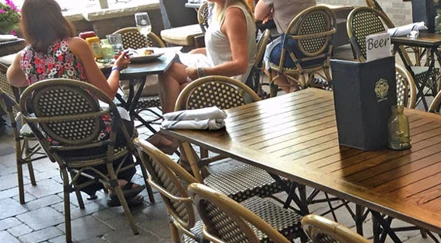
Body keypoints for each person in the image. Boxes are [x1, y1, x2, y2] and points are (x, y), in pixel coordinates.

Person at [7, 0, 145, 206]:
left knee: (104, 121)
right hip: (95, 134)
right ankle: (119, 181)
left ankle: (95, 182)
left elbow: (13, 80)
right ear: (56, 16)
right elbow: (106, 94)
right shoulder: (75, 46)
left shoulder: (23, 58)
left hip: (58, 141)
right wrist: (116, 68)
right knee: (121, 116)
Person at [158, 0, 256, 114]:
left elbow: (241, 65)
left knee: (177, 85)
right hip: (221, 78)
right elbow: (225, 48)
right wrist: (199, 52)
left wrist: (202, 72)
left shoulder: (233, 14)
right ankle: (171, 125)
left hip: (231, 87)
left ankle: (170, 125)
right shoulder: (221, 8)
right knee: (169, 72)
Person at [255, 0, 316, 93]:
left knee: (265, 58)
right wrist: (274, 13)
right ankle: (293, 85)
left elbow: (258, 15)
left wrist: (272, 12)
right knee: (286, 44)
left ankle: (292, 92)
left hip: (294, 54)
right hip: (319, 50)